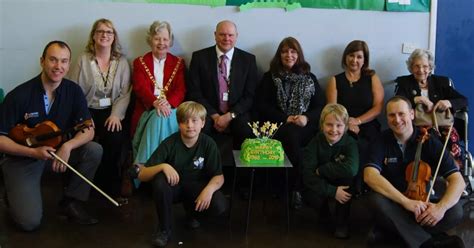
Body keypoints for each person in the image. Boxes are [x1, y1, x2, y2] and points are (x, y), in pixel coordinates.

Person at [0, 41, 102, 231]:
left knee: (93, 150)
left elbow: (89, 129)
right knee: (28, 223)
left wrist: (67, 146)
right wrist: (33, 153)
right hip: (23, 158)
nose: (58, 66)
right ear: (42, 61)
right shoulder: (19, 95)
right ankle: (12, 195)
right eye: (53, 60)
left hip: (56, 155)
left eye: (63, 61)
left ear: (68, 65)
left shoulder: (73, 91)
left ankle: (71, 202)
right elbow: (1, 139)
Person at [364, 96, 465, 248]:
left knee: (455, 211)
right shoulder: (380, 140)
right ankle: (428, 243)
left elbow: (458, 180)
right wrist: (406, 202)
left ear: (412, 114)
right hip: (395, 203)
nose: (397, 120)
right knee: (375, 200)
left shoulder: (429, 141)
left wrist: (440, 208)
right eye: (392, 115)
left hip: (421, 204)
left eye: (401, 114)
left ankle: (397, 234)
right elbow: (369, 175)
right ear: (387, 118)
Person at [136, 101, 227, 247]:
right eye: (185, 121)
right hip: (174, 188)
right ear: (179, 124)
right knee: (160, 180)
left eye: (194, 121)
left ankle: (193, 214)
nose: (190, 125)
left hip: (196, 188)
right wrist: (163, 166)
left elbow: (218, 176)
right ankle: (164, 230)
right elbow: (142, 173)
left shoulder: (208, 144)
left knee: (219, 204)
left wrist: (209, 190)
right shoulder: (170, 143)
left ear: (202, 123)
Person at [257, 37, 325, 208]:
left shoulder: (310, 78)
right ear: (279, 54)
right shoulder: (269, 77)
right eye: (285, 51)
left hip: (305, 125)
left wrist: (306, 117)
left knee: (295, 135)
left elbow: (321, 106)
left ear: (299, 55)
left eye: (293, 51)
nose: (289, 55)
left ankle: (292, 188)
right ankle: (296, 188)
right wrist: (285, 118)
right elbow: (261, 106)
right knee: (290, 135)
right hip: (277, 125)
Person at [70, 18, 131, 197]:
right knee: (86, 140)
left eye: (109, 32)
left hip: (112, 110)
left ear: (114, 37)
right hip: (87, 109)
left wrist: (116, 115)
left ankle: (109, 182)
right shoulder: (83, 59)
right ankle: (88, 181)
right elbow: (74, 90)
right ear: (94, 36)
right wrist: (83, 116)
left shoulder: (121, 62)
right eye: (100, 31)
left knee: (115, 137)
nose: (105, 35)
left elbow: (125, 93)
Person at [326, 40, 384, 194]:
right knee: (352, 144)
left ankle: (362, 186)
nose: (354, 60)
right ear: (345, 57)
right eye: (351, 55)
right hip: (341, 125)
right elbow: (332, 110)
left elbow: (378, 107)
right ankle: (350, 187)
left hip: (368, 123)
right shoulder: (335, 80)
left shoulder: (372, 78)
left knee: (366, 145)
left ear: (365, 60)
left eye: (359, 57)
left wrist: (358, 121)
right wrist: (347, 124)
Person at [187, 20, 257, 147]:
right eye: (222, 34)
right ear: (215, 35)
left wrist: (230, 116)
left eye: (230, 35)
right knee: (198, 129)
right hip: (208, 112)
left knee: (245, 130)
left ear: (236, 36)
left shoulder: (248, 60)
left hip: (237, 113)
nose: (226, 38)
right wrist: (215, 116)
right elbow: (194, 92)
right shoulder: (199, 57)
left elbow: (250, 96)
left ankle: (243, 167)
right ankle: (200, 165)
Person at [395, 48, 468, 168]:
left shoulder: (441, 82)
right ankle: (429, 174)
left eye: (425, 66)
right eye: (416, 66)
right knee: (428, 138)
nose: (421, 70)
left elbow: (463, 100)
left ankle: (453, 175)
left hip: (442, 126)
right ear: (411, 67)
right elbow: (398, 102)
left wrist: (448, 102)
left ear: (430, 68)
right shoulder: (405, 83)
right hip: (417, 127)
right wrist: (418, 99)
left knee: (450, 137)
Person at [131, 20, 186, 168]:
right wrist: (156, 103)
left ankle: (143, 167)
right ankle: (148, 168)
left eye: (165, 39)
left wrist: (167, 103)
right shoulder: (140, 62)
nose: (161, 43)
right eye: (157, 39)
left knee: (162, 116)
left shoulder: (178, 63)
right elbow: (140, 88)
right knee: (158, 116)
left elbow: (180, 90)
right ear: (150, 40)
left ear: (170, 41)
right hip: (147, 108)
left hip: (171, 109)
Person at [302, 103, 358, 239]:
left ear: (345, 127)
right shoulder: (315, 142)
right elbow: (307, 174)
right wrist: (332, 191)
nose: (334, 130)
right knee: (310, 193)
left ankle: (341, 222)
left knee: (348, 181)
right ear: (322, 125)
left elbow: (351, 169)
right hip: (321, 183)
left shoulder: (350, 142)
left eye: (339, 125)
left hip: (338, 179)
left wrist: (322, 170)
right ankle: (324, 216)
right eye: (329, 125)